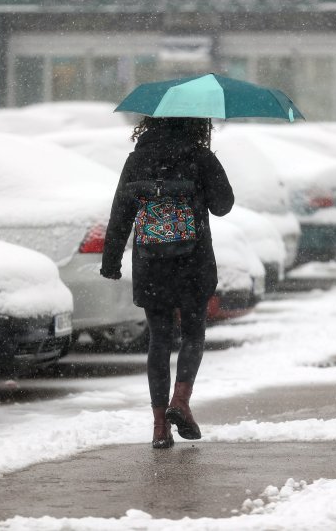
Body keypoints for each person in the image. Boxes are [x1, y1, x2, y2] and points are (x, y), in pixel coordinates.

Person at [100, 116, 234, 449]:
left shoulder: (138, 159)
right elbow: (223, 205)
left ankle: (160, 428)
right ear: (196, 123)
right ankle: (181, 401)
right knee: (192, 333)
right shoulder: (200, 156)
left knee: (159, 341)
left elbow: (121, 212)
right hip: (193, 263)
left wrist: (111, 262)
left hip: (151, 264)